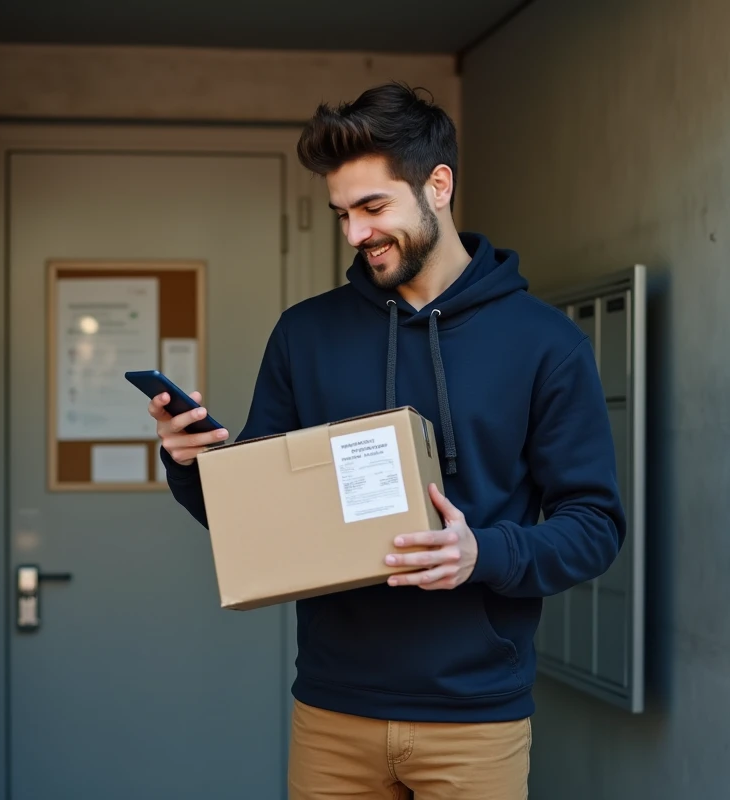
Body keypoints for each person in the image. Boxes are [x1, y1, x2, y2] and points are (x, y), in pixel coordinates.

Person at [149, 82, 626, 800]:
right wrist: (189, 465)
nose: (355, 234)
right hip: (334, 711)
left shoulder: (545, 344)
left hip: (476, 719)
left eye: (373, 208)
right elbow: (249, 518)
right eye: (342, 213)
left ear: (439, 185)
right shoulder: (305, 335)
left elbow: (594, 527)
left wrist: (482, 552)